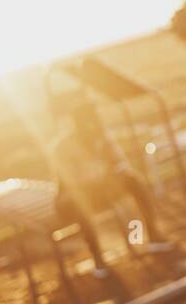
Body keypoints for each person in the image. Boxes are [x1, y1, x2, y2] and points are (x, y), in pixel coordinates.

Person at [48, 83, 171, 270]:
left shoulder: (102, 138)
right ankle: (98, 258)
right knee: (81, 202)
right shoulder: (63, 146)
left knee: (133, 180)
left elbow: (120, 163)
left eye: (96, 121)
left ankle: (154, 236)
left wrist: (114, 172)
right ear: (79, 125)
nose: (95, 126)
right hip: (70, 198)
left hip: (101, 189)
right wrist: (103, 173)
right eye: (90, 122)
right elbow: (72, 181)